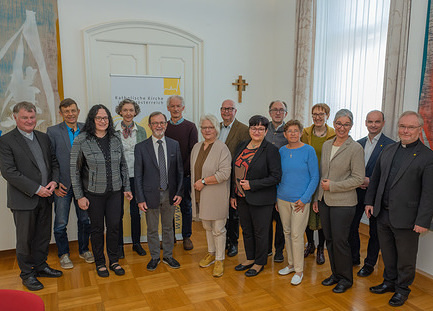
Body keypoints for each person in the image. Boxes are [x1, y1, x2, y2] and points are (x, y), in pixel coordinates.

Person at [365, 111, 433, 307]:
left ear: (419, 130)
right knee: (387, 253)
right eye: (402, 126)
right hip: (382, 214)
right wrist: (370, 202)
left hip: (408, 218)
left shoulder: (427, 157)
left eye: (411, 127)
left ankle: (402, 289)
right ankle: (389, 282)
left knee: (406, 258)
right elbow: (375, 179)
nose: (405, 130)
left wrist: (423, 221)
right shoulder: (388, 149)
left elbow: (429, 193)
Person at [0, 101, 62, 291]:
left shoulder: (43, 138)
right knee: (25, 239)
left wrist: (54, 181)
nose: (29, 121)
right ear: (15, 118)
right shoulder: (6, 141)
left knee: (43, 236)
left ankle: (41, 266)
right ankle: (27, 274)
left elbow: (54, 163)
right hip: (24, 200)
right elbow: (9, 172)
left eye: (32, 117)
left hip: (47, 196)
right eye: (25, 117)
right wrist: (36, 188)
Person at [70, 104, 132, 278]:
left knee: (114, 227)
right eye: (99, 118)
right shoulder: (81, 139)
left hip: (115, 192)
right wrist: (79, 196)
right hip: (93, 194)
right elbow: (74, 170)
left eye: (105, 118)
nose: (103, 121)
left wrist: (126, 187)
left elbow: (123, 165)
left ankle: (113, 260)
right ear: (92, 119)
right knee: (97, 229)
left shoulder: (115, 138)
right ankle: (100, 262)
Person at [313, 109, 365, 293]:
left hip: (344, 203)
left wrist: (333, 186)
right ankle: (335, 274)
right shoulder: (327, 145)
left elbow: (359, 179)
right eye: (339, 123)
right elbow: (322, 174)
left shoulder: (356, 148)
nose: (342, 128)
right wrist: (318, 198)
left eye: (346, 124)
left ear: (351, 126)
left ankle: (346, 279)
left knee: (341, 241)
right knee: (329, 239)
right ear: (333, 124)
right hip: (325, 200)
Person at [231, 115, 281, 277]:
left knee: (260, 231)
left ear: (266, 131)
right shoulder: (242, 145)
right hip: (241, 196)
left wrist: (253, 184)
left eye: (261, 129)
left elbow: (275, 177)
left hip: (261, 198)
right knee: (246, 230)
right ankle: (249, 258)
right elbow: (235, 171)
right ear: (249, 129)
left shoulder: (271, 150)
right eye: (254, 128)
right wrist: (233, 194)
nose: (257, 131)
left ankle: (259, 262)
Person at [47, 98, 94, 270]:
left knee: (85, 220)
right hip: (63, 186)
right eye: (66, 111)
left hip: (84, 186)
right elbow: (51, 160)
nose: (70, 114)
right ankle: (64, 254)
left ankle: (84, 250)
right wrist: (55, 184)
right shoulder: (52, 132)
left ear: (78, 111)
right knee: (60, 223)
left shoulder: (87, 129)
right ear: (61, 113)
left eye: (73, 110)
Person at [135, 111, 183, 271]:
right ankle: (155, 257)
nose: (159, 126)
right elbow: (138, 176)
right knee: (152, 229)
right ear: (149, 126)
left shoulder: (174, 144)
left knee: (169, 227)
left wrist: (179, 193)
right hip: (150, 196)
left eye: (162, 122)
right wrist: (140, 199)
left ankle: (168, 256)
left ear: (166, 124)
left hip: (170, 194)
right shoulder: (141, 148)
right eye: (155, 123)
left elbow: (180, 172)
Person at [348, 110, 394, 277]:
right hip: (356, 192)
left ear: (383, 123)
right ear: (365, 123)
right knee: (352, 226)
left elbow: (389, 173)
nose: (373, 125)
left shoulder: (390, 145)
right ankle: (354, 258)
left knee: (375, 231)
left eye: (377, 122)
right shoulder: (358, 143)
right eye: (370, 121)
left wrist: (371, 180)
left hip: (376, 195)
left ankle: (369, 264)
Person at [277, 120, 319, 285]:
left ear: (301, 133)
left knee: (296, 234)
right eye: (289, 131)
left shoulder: (308, 151)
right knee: (287, 232)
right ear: (285, 134)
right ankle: (291, 264)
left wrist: (305, 198)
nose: (293, 134)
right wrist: (276, 198)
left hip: (301, 200)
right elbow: (278, 175)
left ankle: (299, 271)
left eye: (296, 131)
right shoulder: (281, 151)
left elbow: (315, 176)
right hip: (282, 198)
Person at [191, 114, 231, 277]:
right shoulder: (196, 147)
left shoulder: (222, 148)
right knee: (206, 226)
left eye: (210, 127)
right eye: (204, 127)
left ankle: (220, 259)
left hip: (216, 195)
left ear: (216, 129)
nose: (207, 130)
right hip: (200, 195)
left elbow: (224, 173)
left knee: (218, 228)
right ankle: (211, 253)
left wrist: (204, 181)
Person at [301, 103, 336, 265]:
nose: (317, 117)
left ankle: (321, 248)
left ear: (327, 116)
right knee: (307, 214)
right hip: (307, 179)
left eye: (321, 114)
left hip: (325, 180)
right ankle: (311, 244)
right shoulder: (305, 133)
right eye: (315, 114)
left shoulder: (333, 134)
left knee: (321, 215)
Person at [114, 99, 147, 258]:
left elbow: (145, 154)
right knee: (117, 213)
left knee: (136, 212)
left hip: (136, 176)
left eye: (131, 110)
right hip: (118, 178)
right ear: (120, 112)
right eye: (125, 110)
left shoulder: (141, 131)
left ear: (135, 112)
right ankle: (119, 245)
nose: (128, 113)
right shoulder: (112, 131)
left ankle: (136, 243)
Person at [165, 95, 197, 250]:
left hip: (184, 175)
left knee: (186, 207)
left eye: (178, 106)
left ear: (183, 108)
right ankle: (170, 237)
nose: (175, 109)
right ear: (168, 108)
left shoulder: (191, 127)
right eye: (172, 106)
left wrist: (184, 171)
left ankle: (186, 237)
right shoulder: (163, 126)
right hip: (166, 177)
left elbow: (193, 152)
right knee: (168, 207)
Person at [219, 99, 250, 257]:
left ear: (235, 111)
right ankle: (221, 241)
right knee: (220, 211)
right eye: (224, 109)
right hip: (218, 177)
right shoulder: (216, 128)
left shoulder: (243, 129)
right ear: (220, 110)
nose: (226, 112)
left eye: (230, 109)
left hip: (234, 177)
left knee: (233, 212)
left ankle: (233, 243)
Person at [265, 100, 288, 262]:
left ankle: (279, 250)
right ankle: (266, 250)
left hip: (283, 182)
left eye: (281, 110)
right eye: (275, 110)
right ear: (270, 112)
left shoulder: (290, 131)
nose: (278, 112)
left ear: (285, 113)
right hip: (265, 182)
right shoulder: (263, 129)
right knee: (265, 219)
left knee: (281, 220)